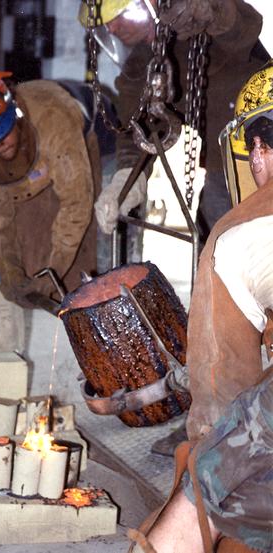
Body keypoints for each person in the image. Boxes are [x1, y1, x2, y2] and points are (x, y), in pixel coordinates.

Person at [127, 61, 273, 553]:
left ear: (255, 148)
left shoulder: (241, 234)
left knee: (210, 479)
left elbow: (221, 390)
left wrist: (197, 466)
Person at [79, 0, 270, 244]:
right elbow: (134, 127)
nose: (112, 29)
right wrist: (126, 180)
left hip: (264, 148)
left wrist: (212, 10)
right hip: (223, 171)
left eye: (116, 18)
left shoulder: (197, 25)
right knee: (216, 247)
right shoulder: (141, 65)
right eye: (105, 25)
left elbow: (247, 27)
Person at [0, 73, 107, 352]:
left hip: (90, 137)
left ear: (16, 117)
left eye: (2, 137)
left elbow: (76, 204)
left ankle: (104, 353)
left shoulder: (52, 118)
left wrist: (52, 274)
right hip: (34, 170)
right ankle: (7, 362)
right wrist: (9, 268)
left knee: (91, 263)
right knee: (6, 267)